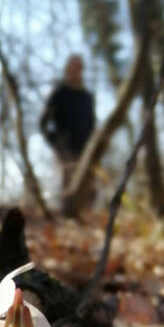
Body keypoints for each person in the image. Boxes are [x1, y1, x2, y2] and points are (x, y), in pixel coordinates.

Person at [40, 54, 96, 216]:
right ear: (66, 69)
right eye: (71, 67)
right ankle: (67, 221)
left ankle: (88, 220)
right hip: (65, 149)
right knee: (68, 184)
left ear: (82, 70)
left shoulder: (87, 97)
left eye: (78, 67)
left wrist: (94, 146)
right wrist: (55, 143)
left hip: (86, 149)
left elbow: (92, 124)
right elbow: (43, 122)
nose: (75, 71)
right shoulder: (58, 95)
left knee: (90, 187)